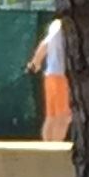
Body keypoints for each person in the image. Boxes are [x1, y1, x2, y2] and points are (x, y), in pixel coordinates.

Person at [29, 15, 70, 143]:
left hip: (51, 76)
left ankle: (48, 148)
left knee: (52, 116)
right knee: (64, 116)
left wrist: (35, 63)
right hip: (60, 76)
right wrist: (35, 62)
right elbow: (45, 45)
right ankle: (55, 149)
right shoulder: (62, 26)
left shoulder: (55, 25)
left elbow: (44, 44)